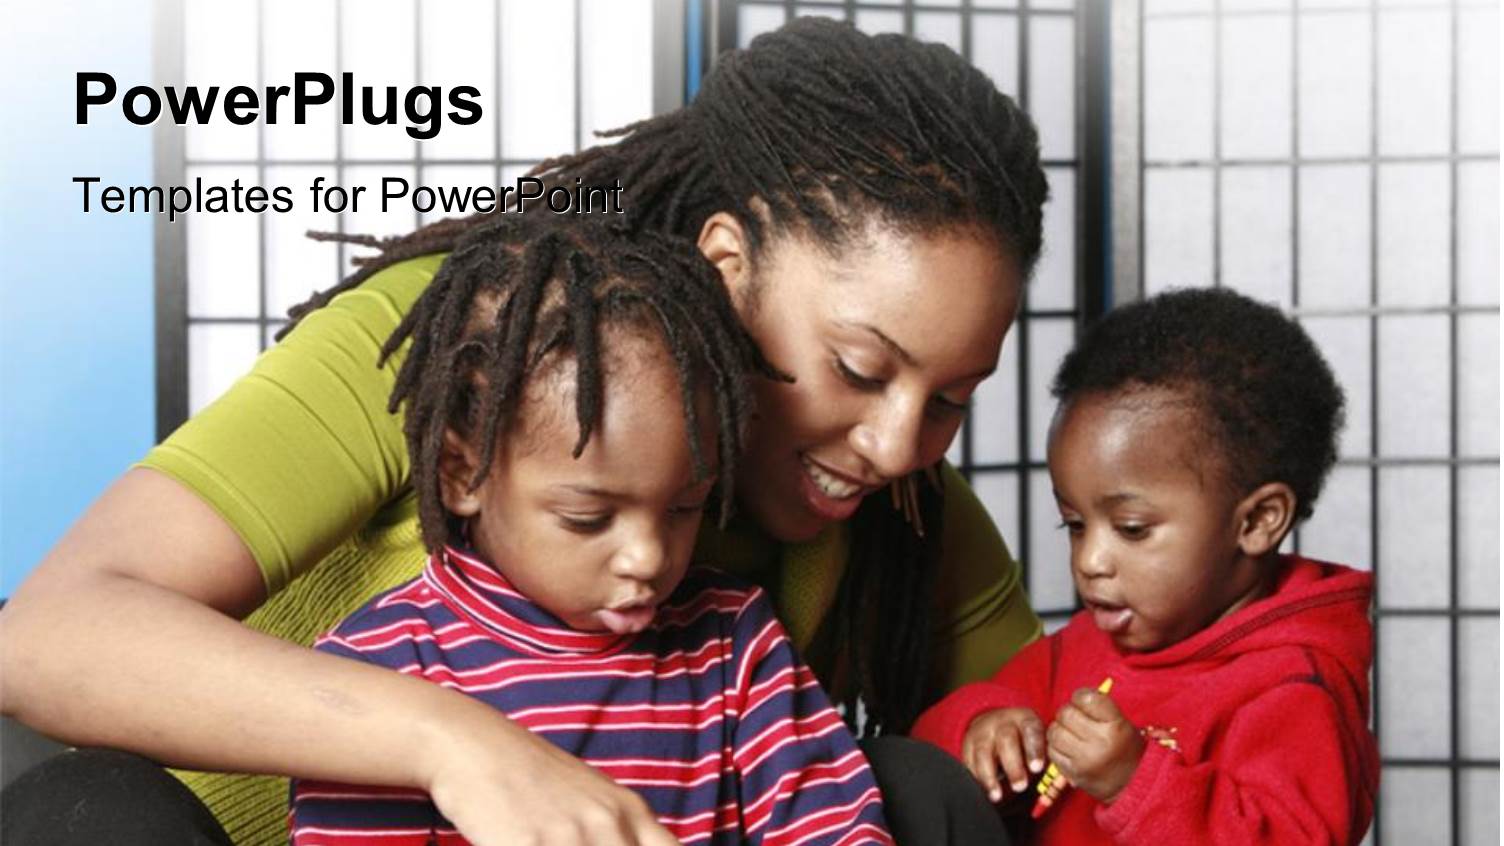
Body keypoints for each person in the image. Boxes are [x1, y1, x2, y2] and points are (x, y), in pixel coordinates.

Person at [0, 17, 1044, 846]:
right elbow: (47, 636)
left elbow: (1086, 702)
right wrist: (456, 744)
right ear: (728, 262)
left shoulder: (885, 490)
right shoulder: (488, 353)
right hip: (173, 824)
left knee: (913, 789)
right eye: (859, 369)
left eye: (952, 396)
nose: (903, 443)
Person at [288, 218, 890, 845]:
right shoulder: (380, 670)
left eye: (685, 508)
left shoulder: (735, 640)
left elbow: (834, 829)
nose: (647, 557)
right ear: (462, 475)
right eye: (589, 518)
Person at [911, 288, 1380, 845]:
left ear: (1256, 521)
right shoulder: (1082, 648)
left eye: (1132, 529)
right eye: (1075, 524)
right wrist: (985, 730)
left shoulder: (1294, 689)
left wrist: (1135, 782)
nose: (1089, 561)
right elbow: (936, 742)